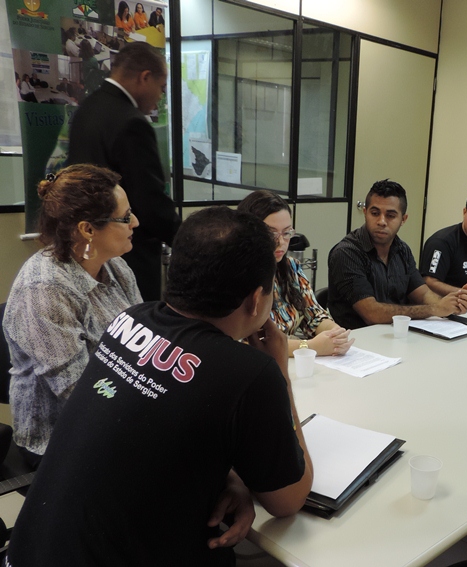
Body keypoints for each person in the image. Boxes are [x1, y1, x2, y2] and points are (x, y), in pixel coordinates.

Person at [6, 206, 313, 567]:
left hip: (28, 552)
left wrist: (230, 478)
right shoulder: (249, 373)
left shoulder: (130, 321)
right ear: (257, 298)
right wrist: (281, 375)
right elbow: (288, 501)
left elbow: (155, 435)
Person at [2, 165, 142, 469]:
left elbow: (144, 343)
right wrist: (146, 409)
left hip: (117, 411)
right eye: (126, 216)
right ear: (87, 229)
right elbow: (78, 389)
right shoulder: (45, 288)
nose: (135, 222)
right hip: (59, 439)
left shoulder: (115, 266)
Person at [67, 41, 181, 302]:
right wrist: (190, 243)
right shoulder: (131, 123)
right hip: (128, 256)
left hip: (89, 252)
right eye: (161, 87)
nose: (160, 97)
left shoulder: (87, 108)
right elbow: (149, 202)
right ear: (145, 77)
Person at [327, 179, 467, 330]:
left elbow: (422, 294)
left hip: (397, 334)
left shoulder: (402, 249)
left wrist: (451, 304)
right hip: (357, 338)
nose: (381, 221)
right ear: (365, 213)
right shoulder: (346, 253)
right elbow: (372, 314)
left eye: (390, 215)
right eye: (375, 213)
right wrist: (434, 309)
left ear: (403, 219)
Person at [237, 190, 354, 357]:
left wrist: (335, 334)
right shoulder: (237, 275)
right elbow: (249, 342)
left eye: (286, 233)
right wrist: (309, 346)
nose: (281, 242)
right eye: (271, 234)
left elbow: (314, 316)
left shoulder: (290, 267)